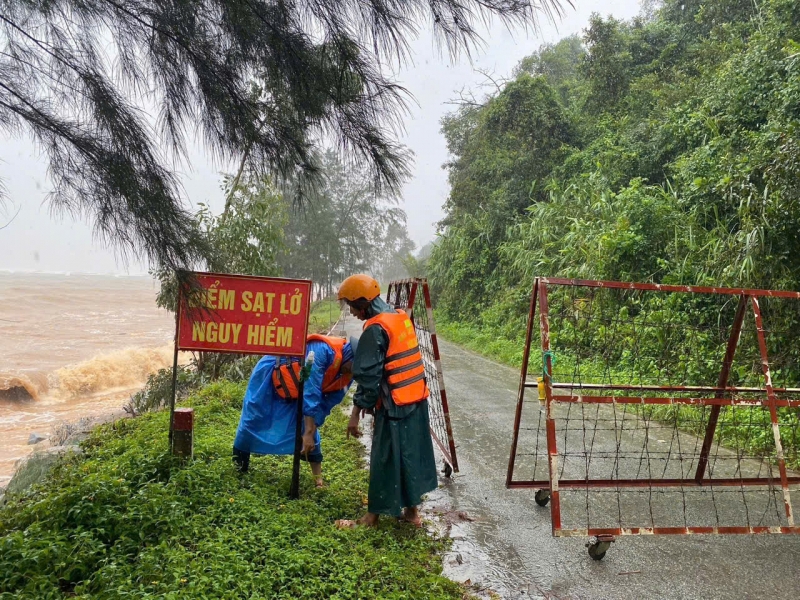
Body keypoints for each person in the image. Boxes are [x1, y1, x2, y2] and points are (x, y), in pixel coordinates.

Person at [334, 274, 438, 528]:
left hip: (395, 406)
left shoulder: (375, 329)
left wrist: (355, 414)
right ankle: (412, 513)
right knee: (411, 454)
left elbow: (369, 379)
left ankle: (371, 518)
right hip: (416, 399)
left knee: (384, 458)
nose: (352, 312)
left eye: (351, 305)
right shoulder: (400, 317)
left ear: (362, 303)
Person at [232, 333, 357, 487]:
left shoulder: (349, 374)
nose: (352, 372)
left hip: (298, 389)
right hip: (270, 374)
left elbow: (328, 402)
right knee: (253, 418)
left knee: (309, 428)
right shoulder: (322, 350)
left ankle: (318, 480)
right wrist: (308, 432)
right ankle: (239, 468)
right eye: (353, 367)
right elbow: (311, 391)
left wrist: (311, 429)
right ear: (350, 357)